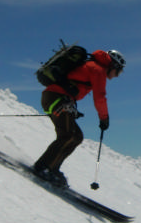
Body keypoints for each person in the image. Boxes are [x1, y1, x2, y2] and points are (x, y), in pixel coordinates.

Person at [33, 49, 125, 186]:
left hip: (56, 98)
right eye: (119, 71)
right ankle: (43, 167)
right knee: (68, 135)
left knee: (76, 136)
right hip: (56, 98)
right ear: (114, 66)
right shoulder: (98, 69)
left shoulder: (92, 67)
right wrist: (104, 118)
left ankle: (52, 168)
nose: (117, 75)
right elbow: (99, 98)